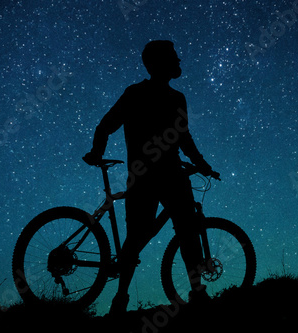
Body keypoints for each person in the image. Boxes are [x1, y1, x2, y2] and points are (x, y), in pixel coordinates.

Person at [83, 40, 219, 314]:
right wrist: (201, 164)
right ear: (160, 63)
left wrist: (97, 151)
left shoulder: (150, 95)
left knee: (150, 235)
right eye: (174, 58)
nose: (180, 62)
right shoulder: (152, 95)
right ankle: (190, 293)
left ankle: (122, 299)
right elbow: (183, 138)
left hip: (149, 175)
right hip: (160, 176)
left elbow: (107, 126)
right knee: (182, 232)